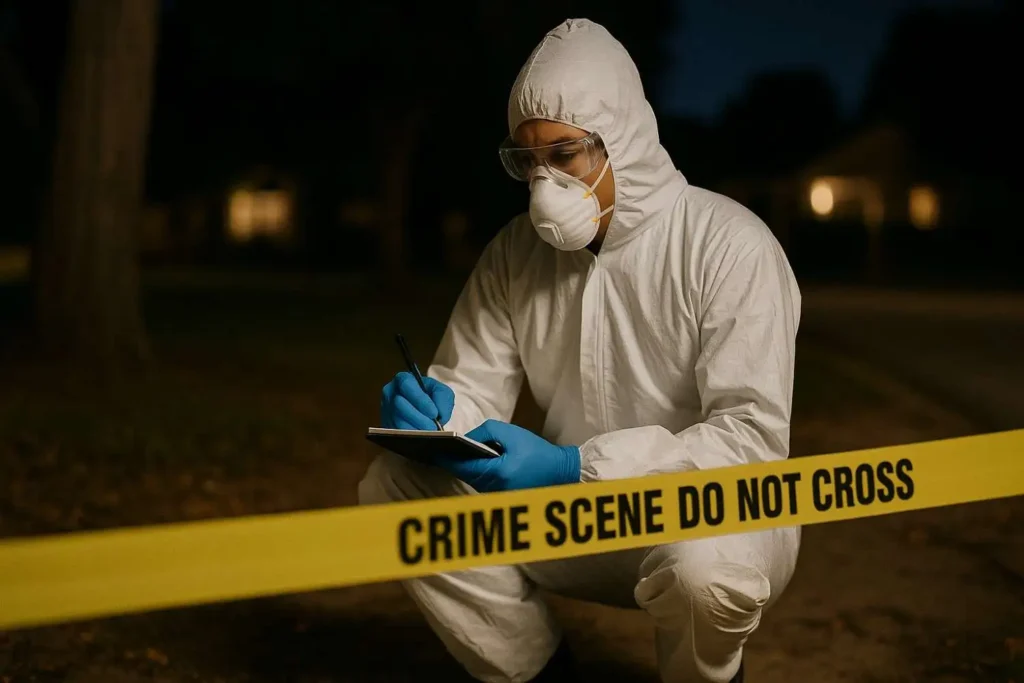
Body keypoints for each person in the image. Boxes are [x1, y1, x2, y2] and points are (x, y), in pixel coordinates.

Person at [359, 17, 802, 683]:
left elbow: (750, 442)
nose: (544, 184)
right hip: (568, 521)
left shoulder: (729, 245)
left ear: (619, 139)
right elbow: (471, 387)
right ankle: (537, 671)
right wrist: (439, 414)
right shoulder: (515, 253)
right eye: (526, 160)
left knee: (705, 570)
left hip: (701, 517)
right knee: (396, 485)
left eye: (563, 155)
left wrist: (575, 465)